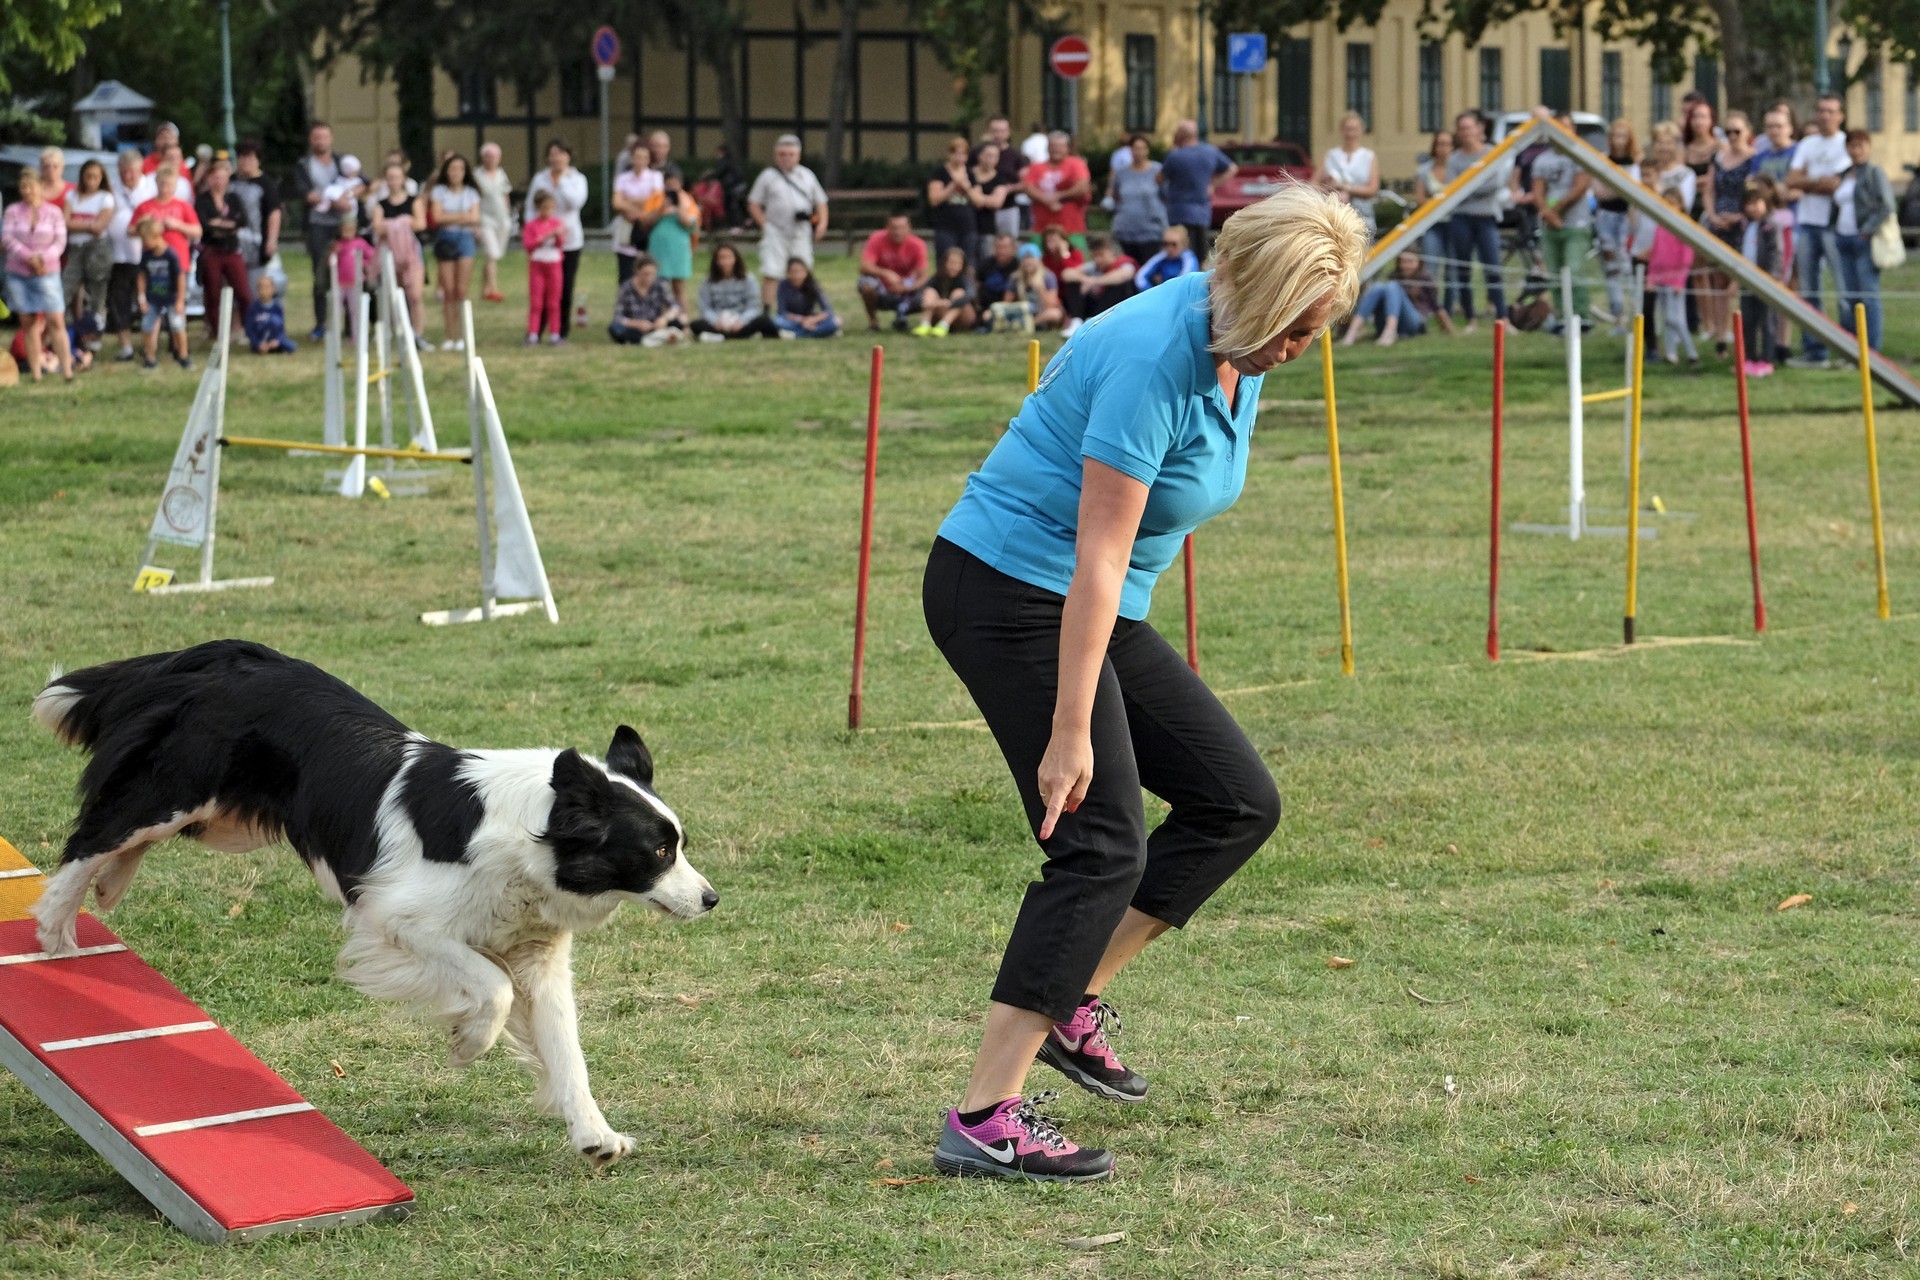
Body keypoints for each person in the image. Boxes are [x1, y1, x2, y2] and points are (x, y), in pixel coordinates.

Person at [921, 184, 1364, 1183]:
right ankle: (985, 1117)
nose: (1298, 348)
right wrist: (1070, 728)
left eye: (1314, 331)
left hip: (1092, 604)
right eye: (1291, 327)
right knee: (1099, 841)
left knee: (1236, 801)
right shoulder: (1153, 358)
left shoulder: (1242, 344)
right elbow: (1096, 556)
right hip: (1006, 591)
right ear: (1248, 289)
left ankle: (1066, 999)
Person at [1786, 94, 1851, 368]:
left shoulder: (1845, 144)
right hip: (1807, 223)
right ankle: (1814, 352)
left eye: (1831, 111)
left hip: (1834, 226)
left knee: (1844, 291)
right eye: (1821, 110)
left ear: (1841, 116)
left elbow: (1837, 185)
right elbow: (1791, 180)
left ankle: (1850, 353)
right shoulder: (1807, 144)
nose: (1824, 115)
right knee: (1809, 291)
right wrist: (1818, 182)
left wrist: (1808, 182)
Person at [3, 170, 76, 382]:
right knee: (29, 323)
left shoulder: (53, 212)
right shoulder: (12, 211)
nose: (27, 191)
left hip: (47, 272)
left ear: (40, 187)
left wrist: (43, 259)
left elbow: (60, 241)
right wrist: (29, 258)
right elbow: (7, 239)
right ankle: (36, 373)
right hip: (19, 273)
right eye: (23, 187)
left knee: (56, 320)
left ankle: (67, 370)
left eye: (31, 186)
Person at [747, 134, 830, 310]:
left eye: (791, 154)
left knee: (803, 270)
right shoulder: (768, 176)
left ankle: (806, 308)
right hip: (776, 231)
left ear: (798, 156)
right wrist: (764, 225)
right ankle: (767, 311)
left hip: (801, 232)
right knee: (772, 271)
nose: (786, 158)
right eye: (782, 154)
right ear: (775, 156)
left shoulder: (807, 175)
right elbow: (754, 203)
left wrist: (822, 223)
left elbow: (821, 202)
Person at [291, 122, 356, 339]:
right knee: (321, 272)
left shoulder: (342, 162)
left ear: (331, 138)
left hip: (343, 224)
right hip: (318, 224)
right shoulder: (304, 165)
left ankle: (350, 323)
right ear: (311, 140)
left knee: (348, 271)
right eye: (316, 137)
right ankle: (322, 322)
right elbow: (306, 193)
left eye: (324, 137)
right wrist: (331, 201)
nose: (321, 141)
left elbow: (361, 182)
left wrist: (347, 197)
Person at [1444, 110, 1508, 330]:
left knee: (1493, 268)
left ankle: (1503, 317)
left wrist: (1467, 187)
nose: (1465, 132)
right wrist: (1477, 185)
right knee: (1463, 270)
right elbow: (1453, 189)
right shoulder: (1454, 159)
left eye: (1468, 127)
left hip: (1486, 218)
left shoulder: (1491, 152)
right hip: (1461, 219)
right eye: (1461, 129)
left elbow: (1496, 183)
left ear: (1479, 128)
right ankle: (1470, 318)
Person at [1530, 111, 1593, 334]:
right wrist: (1547, 214)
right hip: (1549, 224)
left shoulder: (1580, 154)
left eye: (1566, 126)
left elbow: (1580, 186)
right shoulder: (1542, 159)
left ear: (1573, 129)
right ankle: (1562, 317)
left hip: (1575, 223)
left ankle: (1582, 317)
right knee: (1555, 275)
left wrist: (1555, 211)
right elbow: (1538, 190)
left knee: (1573, 272)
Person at [1832, 128, 1894, 356]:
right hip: (1843, 238)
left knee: (1868, 296)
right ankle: (1852, 349)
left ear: (1868, 148)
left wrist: (1866, 231)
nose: (1856, 150)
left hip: (1863, 241)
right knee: (1850, 297)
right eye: (1852, 146)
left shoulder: (1873, 173)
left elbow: (1886, 206)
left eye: (1860, 146)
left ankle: (1872, 350)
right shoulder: (1844, 174)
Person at [1699, 111, 1756, 357]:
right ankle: (1721, 337)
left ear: (1747, 132)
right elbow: (1709, 190)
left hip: (1742, 224)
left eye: (1737, 131)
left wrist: (1741, 215)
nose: (1732, 136)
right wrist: (1712, 215)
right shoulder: (1718, 158)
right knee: (1718, 282)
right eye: (1728, 131)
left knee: (1738, 282)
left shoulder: (1753, 159)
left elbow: (1755, 192)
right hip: (1719, 223)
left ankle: (1744, 338)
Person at [522, 140, 588, 338]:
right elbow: (531, 207)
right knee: (540, 290)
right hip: (543, 244)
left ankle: (560, 330)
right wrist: (533, 232)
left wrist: (562, 181)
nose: (556, 158)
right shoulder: (540, 178)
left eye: (561, 154)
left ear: (568, 156)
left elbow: (576, 202)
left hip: (569, 241)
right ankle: (536, 329)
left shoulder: (577, 179)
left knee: (564, 288)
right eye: (553, 154)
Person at [370, 160, 430, 350]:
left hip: (411, 253)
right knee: (393, 295)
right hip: (389, 254)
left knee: (415, 295)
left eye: (396, 177)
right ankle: (396, 330)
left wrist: (396, 224)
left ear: (403, 179)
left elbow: (420, 224)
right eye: (390, 178)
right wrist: (400, 224)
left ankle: (417, 333)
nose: (393, 181)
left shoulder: (414, 201)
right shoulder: (380, 205)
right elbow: (377, 227)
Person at [1157, 120, 1236, 259]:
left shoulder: (1175, 155)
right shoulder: (1210, 151)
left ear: (1180, 135)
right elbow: (1232, 168)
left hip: (1178, 211)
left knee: (1181, 251)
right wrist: (1212, 184)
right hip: (1201, 211)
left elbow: (1159, 179)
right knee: (1201, 251)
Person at [1591, 120, 1642, 332]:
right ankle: (1618, 315)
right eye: (1615, 135)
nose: (1619, 140)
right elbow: (1599, 192)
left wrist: (1616, 187)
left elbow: (1636, 191)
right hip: (1606, 216)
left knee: (1627, 265)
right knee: (1611, 267)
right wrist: (1622, 188)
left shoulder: (1636, 162)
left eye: (1623, 136)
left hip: (1628, 217)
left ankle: (1636, 314)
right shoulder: (1603, 159)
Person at [193, 159, 253, 337]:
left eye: (221, 177)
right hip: (211, 251)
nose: (218, 181)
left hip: (231, 250)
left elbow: (242, 220)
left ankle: (247, 328)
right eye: (214, 177)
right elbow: (204, 224)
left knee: (243, 292)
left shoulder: (233, 198)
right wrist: (227, 225)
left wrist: (218, 223)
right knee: (213, 293)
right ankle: (217, 330)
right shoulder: (202, 200)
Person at [1342, 249, 1450, 346]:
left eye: (1410, 262)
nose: (1406, 265)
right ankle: (1353, 331)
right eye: (1403, 261)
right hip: (1385, 321)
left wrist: (1449, 329)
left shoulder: (1425, 279)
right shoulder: (1393, 275)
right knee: (1378, 287)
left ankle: (1390, 331)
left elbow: (1436, 307)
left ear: (1419, 262)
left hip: (1413, 323)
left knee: (1392, 286)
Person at [1738, 178, 1788, 377]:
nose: (1752, 207)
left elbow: (1777, 254)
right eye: (1749, 203)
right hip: (1747, 281)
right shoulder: (1745, 226)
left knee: (1767, 322)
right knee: (1747, 321)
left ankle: (1767, 360)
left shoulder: (1771, 226)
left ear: (1765, 203)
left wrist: (1773, 278)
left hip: (1766, 282)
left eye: (1756, 203)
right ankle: (1749, 358)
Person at [429, 153, 480, 349]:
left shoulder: (471, 193)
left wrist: (450, 216)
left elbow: (474, 218)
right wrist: (462, 216)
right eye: (452, 169)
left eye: (460, 169)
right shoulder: (439, 191)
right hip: (445, 239)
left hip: (465, 239)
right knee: (449, 290)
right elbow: (437, 218)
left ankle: (462, 335)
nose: (456, 173)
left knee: (461, 290)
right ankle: (450, 335)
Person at [60, 159, 114, 333]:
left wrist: (77, 224)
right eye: (88, 176)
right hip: (75, 248)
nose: (91, 181)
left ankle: (94, 333)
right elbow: (64, 223)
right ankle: (65, 328)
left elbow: (99, 227)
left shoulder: (105, 198)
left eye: (95, 177)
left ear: (101, 178)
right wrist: (89, 224)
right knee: (65, 289)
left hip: (97, 249)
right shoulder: (72, 195)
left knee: (97, 292)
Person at [1647, 188, 1698, 367]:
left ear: (1680, 205)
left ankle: (1691, 352)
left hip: (1675, 281)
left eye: (1672, 203)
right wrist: (1651, 279)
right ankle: (1671, 353)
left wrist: (1679, 281)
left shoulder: (1682, 226)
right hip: (1660, 279)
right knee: (1666, 319)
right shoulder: (1660, 227)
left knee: (1675, 318)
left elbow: (1686, 257)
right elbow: (1655, 255)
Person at [857, 209, 930, 331]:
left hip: (908, 289)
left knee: (930, 291)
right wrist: (886, 273)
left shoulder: (918, 245)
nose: (898, 232)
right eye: (894, 228)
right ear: (887, 228)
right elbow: (864, 267)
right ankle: (873, 321)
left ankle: (917, 320)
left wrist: (906, 288)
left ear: (909, 228)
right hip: (883, 288)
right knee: (866, 284)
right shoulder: (876, 239)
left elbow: (923, 276)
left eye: (902, 228)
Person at [230, 141, 285, 302]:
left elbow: (274, 213)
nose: (245, 162)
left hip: (256, 246)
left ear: (258, 160)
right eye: (242, 157)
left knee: (253, 290)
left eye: (250, 158)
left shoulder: (266, 185)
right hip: (232, 245)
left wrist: (272, 240)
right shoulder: (230, 181)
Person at [134, 216, 190, 370]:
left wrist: (180, 300)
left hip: (171, 297)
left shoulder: (171, 254)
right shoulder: (146, 255)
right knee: (147, 326)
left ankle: (183, 356)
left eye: (145, 240)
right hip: (153, 298)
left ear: (155, 237)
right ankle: (150, 358)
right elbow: (141, 276)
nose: (143, 244)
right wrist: (141, 297)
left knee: (177, 325)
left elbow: (180, 277)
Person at [690, 243, 780, 340]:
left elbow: (753, 307)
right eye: (721, 258)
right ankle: (732, 336)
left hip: (741, 321)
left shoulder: (748, 279)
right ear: (716, 261)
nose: (725, 262)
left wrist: (741, 321)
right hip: (719, 322)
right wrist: (716, 321)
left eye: (728, 257)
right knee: (696, 325)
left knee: (764, 321)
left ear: (736, 259)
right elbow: (705, 308)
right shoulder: (708, 281)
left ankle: (723, 336)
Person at [105, 150, 145, 362]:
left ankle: (149, 344)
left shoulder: (151, 186)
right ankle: (126, 346)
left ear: (140, 169)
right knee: (119, 300)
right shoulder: (111, 188)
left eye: (131, 172)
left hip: (146, 254)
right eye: (123, 172)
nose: (127, 176)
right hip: (119, 256)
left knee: (147, 300)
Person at [1023, 132, 1093, 247]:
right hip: (1042, 228)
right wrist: (1047, 200)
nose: (1056, 149)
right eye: (1053, 146)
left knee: (1075, 257)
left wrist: (1058, 196)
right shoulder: (1036, 167)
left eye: (1060, 146)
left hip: (1071, 229)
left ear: (1067, 148)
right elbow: (1028, 188)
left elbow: (1082, 187)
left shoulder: (1076, 164)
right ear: (1047, 148)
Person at [1315, 112, 1380, 235]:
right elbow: (1313, 183)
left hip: (1362, 217)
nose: (1350, 133)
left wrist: (1346, 188)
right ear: (1342, 130)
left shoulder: (1368, 157)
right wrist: (1329, 188)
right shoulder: (1331, 156)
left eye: (1354, 129)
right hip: (1333, 215)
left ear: (1361, 131)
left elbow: (1373, 189)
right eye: (1347, 129)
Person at [1058, 234, 1137, 334]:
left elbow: (1125, 275)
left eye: (1101, 255)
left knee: (1118, 284)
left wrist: (1093, 281)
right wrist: (1084, 279)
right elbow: (1066, 274)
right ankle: (1076, 320)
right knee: (1074, 283)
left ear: (1111, 252)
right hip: (1094, 304)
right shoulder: (1094, 267)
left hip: (1115, 306)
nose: (1098, 259)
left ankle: (1098, 321)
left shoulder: (1124, 263)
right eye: (1094, 256)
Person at [1108, 133, 1167, 267]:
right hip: (1126, 231)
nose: (1139, 152)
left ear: (1148, 150)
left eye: (1142, 148)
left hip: (1151, 232)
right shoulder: (1121, 172)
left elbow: (1165, 195)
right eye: (1136, 148)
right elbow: (1116, 195)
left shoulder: (1157, 170)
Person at [611, 138, 664, 287]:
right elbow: (616, 203)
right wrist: (640, 204)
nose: (640, 161)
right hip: (627, 229)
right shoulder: (623, 178)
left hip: (646, 228)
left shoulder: (655, 177)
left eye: (644, 157)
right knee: (625, 277)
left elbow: (656, 203)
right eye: (637, 157)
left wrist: (628, 201)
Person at [646, 164, 700, 310]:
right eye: (668, 185)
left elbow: (691, 224)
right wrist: (662, 208)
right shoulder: (656, 198)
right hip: (659, 247)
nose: (671, 188)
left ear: (680, 184)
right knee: (657, 285)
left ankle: (683, 318)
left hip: (679, 248)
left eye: (674, 185)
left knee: (679, 287)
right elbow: (647, 222)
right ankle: (659, 317)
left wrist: (679, 206)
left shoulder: (687, 200)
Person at [609, 255, 687, 346]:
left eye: (653, 274)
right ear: (637, 271)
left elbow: (675, 306)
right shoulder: (626, 288)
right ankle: (651, 337)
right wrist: (637, 324)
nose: (649, 278)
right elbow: (618, 317)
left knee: (681, 319)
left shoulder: (660, 285)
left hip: (655, 324)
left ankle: (653, 337)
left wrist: (664, 318)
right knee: (615, 328)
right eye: (646, 274)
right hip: (635, 326)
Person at [927, 136, 980, 267]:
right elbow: (934, 199)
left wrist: (967, 187)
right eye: (956, 153)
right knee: (945, 262)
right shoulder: (940, 173)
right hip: (945, 226)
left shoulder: (970, 174)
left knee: (968, 263)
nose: (959, 157)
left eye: (963, 154)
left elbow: (978, 201)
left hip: (967, 226)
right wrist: (953, 185)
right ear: (949, 154)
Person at [523, 189, 566, 344]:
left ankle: (555, 334)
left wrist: (558, 235)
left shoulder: (557, 224)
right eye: (545, 208)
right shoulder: (531, 225)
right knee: (536, 302)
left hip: (554, 265)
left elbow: (560, 244)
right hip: (537, 266)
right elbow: (529, 245)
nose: (548, 212)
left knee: (554, 302)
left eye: (551, 208)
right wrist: (544, 237)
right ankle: (533, 334)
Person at [474, 142, 514, 302]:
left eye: (494, 157)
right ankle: (493, 289)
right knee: (492, 253)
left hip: (502, 220)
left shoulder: (501, 174)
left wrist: (508, 214)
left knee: (493, 256)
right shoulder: (476, 175)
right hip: (484, 219)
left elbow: (505, 195)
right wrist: (475, 224)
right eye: (488, 156)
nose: (491, 160)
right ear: (483, 158)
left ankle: (485, 288)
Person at [912, 244, 978, 337]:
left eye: (958, 263)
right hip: (941, 311)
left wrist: (950, 303)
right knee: (930, 291)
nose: (954, 267)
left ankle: (944, 325)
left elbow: (970, 294)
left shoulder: (967, 278)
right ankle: (925, 325)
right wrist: (928, 302)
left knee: (959, 293)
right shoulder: (938, 277)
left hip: (963, 316)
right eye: (952, 263)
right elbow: (920, 292)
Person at [976, 117, 1026, 239]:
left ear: (1008, 132)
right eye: (995, 131)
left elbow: (1026, 182)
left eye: (1002, 131)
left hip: (1007, 208)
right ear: (988, 131)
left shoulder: (1016, 156)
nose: (998, 135)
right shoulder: (976, 153)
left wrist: (1007, 189)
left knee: (1007, 242)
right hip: (980, 209)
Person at [1412, 130, 1453, 269]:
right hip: (1432, 223)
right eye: (1440, 144)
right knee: (1430, 265)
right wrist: (1442, 203)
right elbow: (1419, 198)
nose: (1443, 148)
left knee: (1454, 268)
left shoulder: (1459, 169)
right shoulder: (1424, 171)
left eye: (1447, 144)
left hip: (1455, 222)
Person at [966, 142, 1014, 258]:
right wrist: (988, 199)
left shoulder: (1001, 178)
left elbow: (997, 202)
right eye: (989, 155)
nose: (992, 159)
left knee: (986, 260)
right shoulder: (967, 174)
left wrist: (974, 195)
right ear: (980, 156)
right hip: (966, 227)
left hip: (987, 228)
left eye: (995, 156)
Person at [772, 257, 839, 337]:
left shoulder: (813, 284)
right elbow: (782, 311)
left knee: (835, 321)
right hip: (793, 320)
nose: (797, 276)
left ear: (806, 272)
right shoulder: (783, 285)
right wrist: (802, 320)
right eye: (794, 272)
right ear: (788, 273)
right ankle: (819, 332)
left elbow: (827, 310)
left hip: (811, 319)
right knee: (777, 321)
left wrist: (812, 320)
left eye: (800, 271)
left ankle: (795, 335)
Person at [1010, 243, 1065, 331]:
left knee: (1055, 314)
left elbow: (1052, 303)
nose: (1028, 262)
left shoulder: (1048, 276)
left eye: (1031, 259)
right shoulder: (1015, 278)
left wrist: (1040, 288)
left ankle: (1030, 324)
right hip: (1024, 312)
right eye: (1025, 259)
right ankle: (1025, 324)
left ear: (1039, 260)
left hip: (1042, 312)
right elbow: (1007, 302)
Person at [1133, 225, 1199, 290]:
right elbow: (1140, 277)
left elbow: (1184, 281)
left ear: (1184, 244)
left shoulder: (1189, 259)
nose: (1169, 248)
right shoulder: (1162, 256)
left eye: (1174, 244)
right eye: (1166, 244)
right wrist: (1150, 292)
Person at [244, 274, 296, 354]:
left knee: (292, 346)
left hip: (274, 340)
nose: (264, 290)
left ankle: (276, 347)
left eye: (267, 287)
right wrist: (257, 343)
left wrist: (277, 340)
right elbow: (249, 329)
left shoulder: (277, 307)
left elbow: (281, 328)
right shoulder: (253, 308)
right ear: (258, 289)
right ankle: (262, 348)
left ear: (273, 289)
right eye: (261, 287)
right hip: (260, 340)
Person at [978, 234, 1021, 305]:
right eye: (998, 247)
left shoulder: (1018, 267)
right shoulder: (986, 264)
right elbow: (977, 283)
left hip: (1008, 307)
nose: (1001, 251)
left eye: (1005, 247)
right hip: (984, 306)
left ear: (1013, 249)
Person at [38, 147, 73, 217]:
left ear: (62, 168)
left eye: (55, 166)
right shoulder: (33, 188)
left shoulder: (72, 189)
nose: (51, 170)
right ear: (41, 168)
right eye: (46, 166)